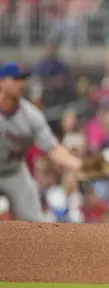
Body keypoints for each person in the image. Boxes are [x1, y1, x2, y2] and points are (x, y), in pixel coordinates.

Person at [0, 62, 83, 221]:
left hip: (14, 172)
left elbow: (52, 148)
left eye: (23, 79)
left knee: (34, 221)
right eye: (16, 79)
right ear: (2, 81)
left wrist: (77, 164)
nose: (21, 84)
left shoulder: (31, 116)